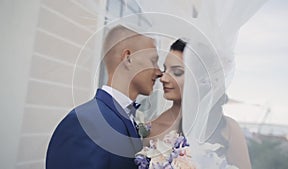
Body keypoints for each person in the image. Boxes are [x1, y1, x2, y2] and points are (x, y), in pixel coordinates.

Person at [46, 25, 162, 169]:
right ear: (128, 58)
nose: (159, 72)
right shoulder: (84, 123)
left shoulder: (129, 119)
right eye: (153, 60)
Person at [147, 39, 252, 169]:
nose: (163, 78)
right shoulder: (153, 129)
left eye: (177, 72)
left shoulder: (229, 129)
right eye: (164, 69)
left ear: (200, 78)